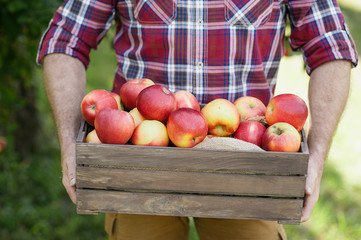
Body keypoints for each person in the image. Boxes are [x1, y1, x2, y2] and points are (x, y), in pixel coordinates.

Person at [37, 0, 358, 239]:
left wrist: (315, 158)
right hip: (139, 161)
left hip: (247, 163)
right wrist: (69, 145)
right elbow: (65, 39)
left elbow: (330, 47)